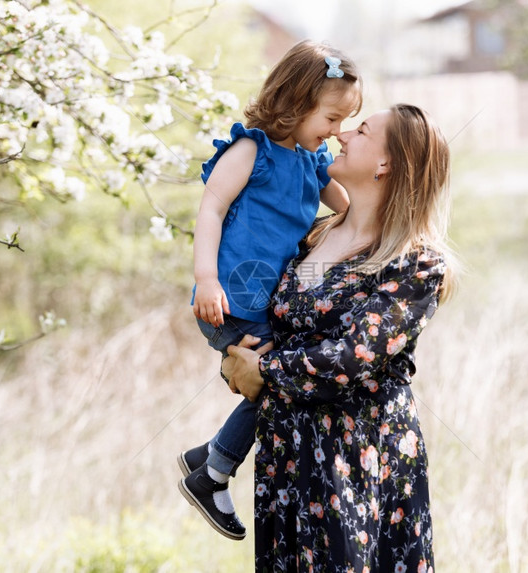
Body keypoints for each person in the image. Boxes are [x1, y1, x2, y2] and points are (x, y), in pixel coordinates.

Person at [226, 104, 457, 571]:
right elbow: (274, 320)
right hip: (286, 458)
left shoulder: (414, 264)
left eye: (363, 130)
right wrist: (237, 353)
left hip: (352, 463)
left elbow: (349, 359)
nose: (344, 134)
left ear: (385, 164)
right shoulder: (312, 238)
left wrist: (263, 370)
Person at [177, 40, 362, 541]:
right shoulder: (251, 150)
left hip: (267, 302)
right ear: (296, 102)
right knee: (275, 383)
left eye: (346, 122)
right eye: (331, 118)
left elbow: (348, 203)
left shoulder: (311, 159)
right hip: (231, 298)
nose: (337, 132)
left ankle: (206, 454)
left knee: (275, 378)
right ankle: (212, 473)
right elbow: (211, 210)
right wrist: (206, 279)